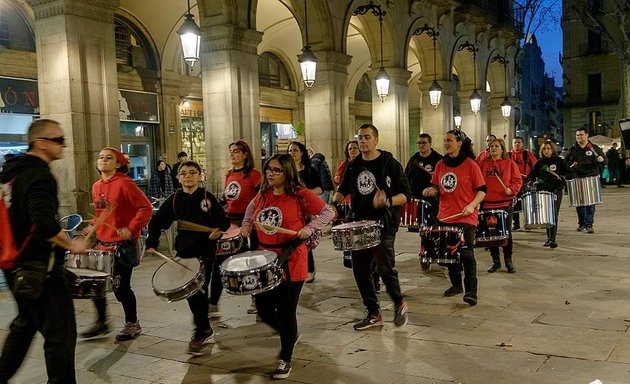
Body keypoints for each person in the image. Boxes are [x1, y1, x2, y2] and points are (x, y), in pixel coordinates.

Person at [0, 119, 88, 383]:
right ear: (40, 143)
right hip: (41, 269)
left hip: (15, 266)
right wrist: (72, 244)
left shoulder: (10, 174)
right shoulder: (39, 174)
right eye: (58, 140)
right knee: (60, 335)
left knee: (25, 325)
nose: (64, 145)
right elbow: (43, 222)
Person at [240, 154, 334, 379]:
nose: (270, 173)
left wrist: (310, 228)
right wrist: (245, 226)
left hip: (292, 259)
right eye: (268, 169)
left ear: (287, 172)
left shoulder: (301, 195)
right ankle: (289, 334)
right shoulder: (263, 194)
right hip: (265, 259)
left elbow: (329, 212)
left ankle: (285, 357)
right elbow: (250, 212)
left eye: (276, 170)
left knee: (286, 310)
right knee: (263, 308)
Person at [146, 161, 231, 356]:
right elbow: (157, 222)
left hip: (205, 253)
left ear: (200, 176)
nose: (188, 176)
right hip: (183, 254)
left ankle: (200, 332)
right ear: (178, 178)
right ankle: (204, 327)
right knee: (190, 294)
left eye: (192, 173)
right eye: (183, 173)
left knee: (199, 292)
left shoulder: (207, 198)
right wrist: (152, 240)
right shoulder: (175, 200)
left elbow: (223, 221)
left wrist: (218, 231)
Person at [333, 123, 412, 330]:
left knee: (384, 267)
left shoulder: (389, 163)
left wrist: (386, 201)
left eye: (367, 137)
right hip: (359, 223)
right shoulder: (354, 165)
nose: (363, 141)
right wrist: (333, 205)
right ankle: (373, 312)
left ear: (376, 139)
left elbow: (406, 194)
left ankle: (398, 302)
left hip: (383, 223)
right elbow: (342, 191)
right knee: (360, 269)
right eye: (360, 137)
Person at [80, 147, 153, 341]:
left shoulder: (125, 184)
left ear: (118, 164)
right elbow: (101, 214)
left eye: (109, 158)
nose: (103, 160)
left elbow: (145, 208)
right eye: (101, 157)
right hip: (102, 243)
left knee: (121, 288)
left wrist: (131, 227)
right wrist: (93, 227)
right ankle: (102, 323)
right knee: (95, 284)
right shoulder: (96, 186)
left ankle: (132, 324)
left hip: (123, 244)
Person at [423, 129, 486, 306]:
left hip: (466, 216)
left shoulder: (470, 164)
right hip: (445, 215)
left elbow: (482, 190)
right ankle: (456, 285)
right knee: (448, 254)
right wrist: (432, 190)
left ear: (459, 143)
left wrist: (472, 205)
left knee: (466, 253)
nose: (446, 143)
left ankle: (471, 292)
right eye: (445, 140)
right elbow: (436, 185)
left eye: (450, 140)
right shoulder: (441, 164)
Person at [210, 140, 262, 317]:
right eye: (230, 151)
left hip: (249, 223)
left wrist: (252, 221)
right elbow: (227, 199)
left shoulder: (255, 175)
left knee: (252, 261)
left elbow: (262, 199)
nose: (232, 154)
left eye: (236, 151)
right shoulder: (229, 175)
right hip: (230, 222)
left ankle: (257, 300)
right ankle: (213, 303)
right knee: (219, 262)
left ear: (245, 154)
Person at [477, 138, 522, 273]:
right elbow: (478, 181)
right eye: (491, 146)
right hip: (487, 203)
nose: (493, 148)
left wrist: (511, 190)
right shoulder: (483, 164)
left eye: (497, 146)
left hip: (504, 203)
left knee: (506, 233)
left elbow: (517, 180)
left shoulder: (509, 163)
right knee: (492, 235)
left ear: (502, 149)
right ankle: (496, 261)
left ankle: (508, 260)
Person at [527, 141, 574, 248]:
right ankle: (549, 238)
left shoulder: (559, 161)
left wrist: (563, 177)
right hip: (543, 191)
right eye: (544, 149)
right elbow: (532, 175)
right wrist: (531, 181)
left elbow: (570, 172)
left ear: (552, 149)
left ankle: (552, 239)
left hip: (556, 190)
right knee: (547, 215)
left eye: (548, 148)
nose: (546, 151)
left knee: (554, 214)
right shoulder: (540, 163)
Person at [288, 141, 322, 283]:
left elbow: (320, 189)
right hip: (290, 210)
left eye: (295, 150)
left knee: (305, 240)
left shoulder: (309, 170)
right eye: (290, 151)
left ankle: (310, 268)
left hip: (305, 210)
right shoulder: (286, 171)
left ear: (302, 153)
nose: (292, 153)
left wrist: (305, 193)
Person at [564, 128, 606, 233]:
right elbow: (565, 163)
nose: (579, 137)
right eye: (577, 135)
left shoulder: (593, 148)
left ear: (587, 135)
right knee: (580, 203)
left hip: (591, 178)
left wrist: (602, 159)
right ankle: (582, 223)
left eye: (581, 135)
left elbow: (604, 159)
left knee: (591, 203)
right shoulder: (572, 149)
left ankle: (589, 224)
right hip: (577, 179)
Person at [509, 136, 537, 231]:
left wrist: (531, 178)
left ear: (522, 144)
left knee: (527, 204)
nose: (517, 144)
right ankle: (516, 224)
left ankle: (528, 223)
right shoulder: (508, 155)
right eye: (515, 142)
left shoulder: (527, 154)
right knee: (514, 204)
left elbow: (536, 166)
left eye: (519, 142)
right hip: (513, 184)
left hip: (525, 183)